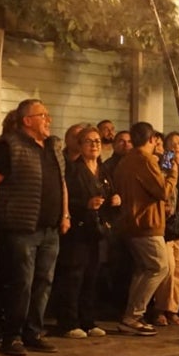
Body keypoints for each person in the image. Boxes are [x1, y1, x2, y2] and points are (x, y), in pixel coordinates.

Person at [0, 98, 69, 356]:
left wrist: (65, 214)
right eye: (42, 115)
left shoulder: (54, 147)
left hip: (50, 229)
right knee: (21, 282)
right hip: (22, 227)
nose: (48, 119)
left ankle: (33, 332)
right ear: (27, 120)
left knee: (44, 282)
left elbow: (61, 182)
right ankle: (11, 336)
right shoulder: (9, 146)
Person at [112, 121, 178, 336]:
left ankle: (131, 316)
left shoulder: (125, 161)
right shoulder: (145, 159)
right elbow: (161, 191)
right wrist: (172, 173)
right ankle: (133, 315)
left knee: (144, 269)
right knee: (160, 267)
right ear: (152, 140)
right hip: (147, 224)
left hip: (130, 223)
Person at [52, 126, 116, 338]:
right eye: (89, 141)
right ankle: (69, 322)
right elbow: (64, 198)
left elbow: (109, 193)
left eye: (97, 140)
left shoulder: (103, 170)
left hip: (97, 232)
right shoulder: (73, 170)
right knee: (74, 276)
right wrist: (84, 204)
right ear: (79, 145)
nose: (95, 145)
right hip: (78, 231)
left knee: (92, 275)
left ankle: (88, 320)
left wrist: (115, 200)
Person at [152, 131, 179, 326]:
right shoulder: (164, 165)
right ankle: (160, 309)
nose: (176, 147)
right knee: (168, 267)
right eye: (172, 144)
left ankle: (173, 309)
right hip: (166, 224)